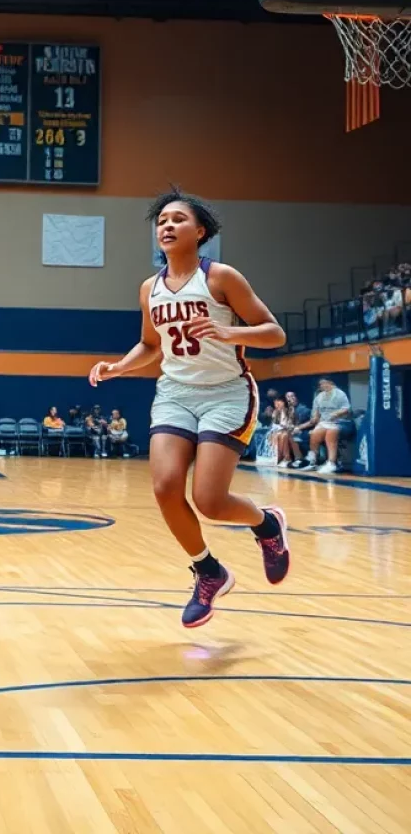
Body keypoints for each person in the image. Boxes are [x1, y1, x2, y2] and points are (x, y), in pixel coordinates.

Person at [89, 186, 290, 628]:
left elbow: (275, 334)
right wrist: (119, 367)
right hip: (176, 393)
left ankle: (267, 525)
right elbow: (149, 344)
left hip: (226, 392)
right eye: (161, 220)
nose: (167, 225)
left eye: (178, 219)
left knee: (210, 502)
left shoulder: (221, 277)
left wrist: (230, 334)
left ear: (200, 232)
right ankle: (208, 571)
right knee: (164, 487)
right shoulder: (150, 289)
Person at [302, 377, 353, 474]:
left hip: (342, 423)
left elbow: (346, 409)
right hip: (325, 423)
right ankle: (313, 461)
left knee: (331, 432)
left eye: (325, 383)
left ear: (331, 383)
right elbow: (316, 414)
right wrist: (315, 419)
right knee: (315, 433)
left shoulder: (340, 394)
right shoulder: (319, 397)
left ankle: (331, 463)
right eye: (321, 384)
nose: (322, 386)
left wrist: (336, 413)